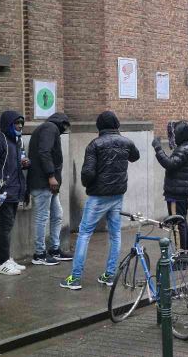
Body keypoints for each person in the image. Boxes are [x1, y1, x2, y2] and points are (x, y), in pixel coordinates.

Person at [61, 111, 139, 290]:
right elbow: (135, 156)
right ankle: (109, 275)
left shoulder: (94, 144)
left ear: (99, 126)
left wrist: (86, 183)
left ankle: (75, 278)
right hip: (117, 194)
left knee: (85, 233)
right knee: (115, 234)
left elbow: (88, 173)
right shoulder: (126, 142)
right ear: (116, 124)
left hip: (98, 196)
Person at [0, 111, 30, 275]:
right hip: (1, 194)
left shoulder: (18, 141)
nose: (20, 126)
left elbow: (18, 164)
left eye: (21, 124)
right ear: (8, 124)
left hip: (14, 191)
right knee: (6, 227)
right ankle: (2, 262)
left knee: (8, 226)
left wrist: (25, 163)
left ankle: (7, 258)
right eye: (16, 123)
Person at [28, 112, 72, 266]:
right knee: (43, 217)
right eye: (65, 125)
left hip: (48, 184)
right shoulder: (50, 128)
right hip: (44, 183)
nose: (65, 129)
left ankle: (54, 249)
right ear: (61, 122)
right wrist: (51, 175)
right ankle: (39, 254)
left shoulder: (48, 128)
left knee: (57, 215)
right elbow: (44, 152)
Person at [152, 120, 188, 251]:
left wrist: (158, 148)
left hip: (176, 194)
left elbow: (169, 164)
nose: (175, 136)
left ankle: (180, 256)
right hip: (181, 191)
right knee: (182, 221)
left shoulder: (183, 149)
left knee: (177, 225)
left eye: (177, 134)